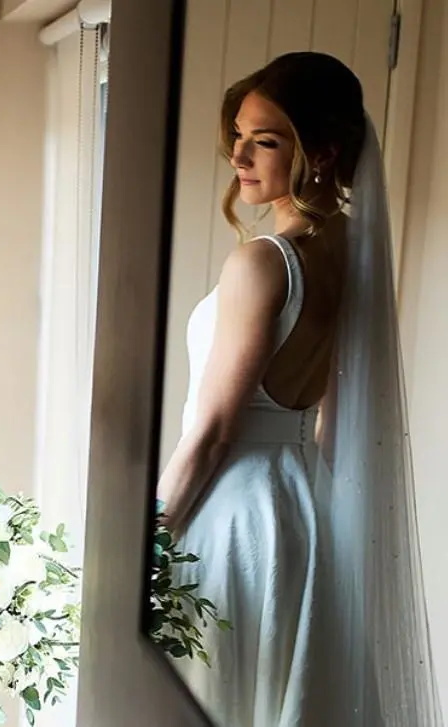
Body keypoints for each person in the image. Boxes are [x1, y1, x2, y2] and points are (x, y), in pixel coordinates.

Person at [158, 52, 442, 727]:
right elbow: (335, 425)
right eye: (239, 134)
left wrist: (152, 532)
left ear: (320, 151)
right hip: (299, 506)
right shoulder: (349, 250)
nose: (240, 155)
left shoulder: (262, 261)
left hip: (233, 509)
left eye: (267, 139)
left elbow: (214, 427)